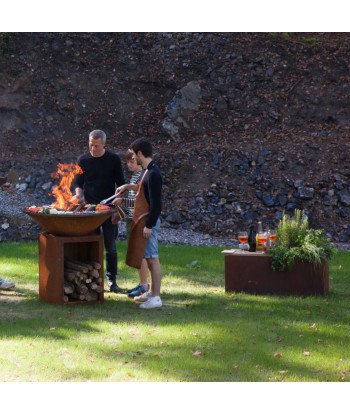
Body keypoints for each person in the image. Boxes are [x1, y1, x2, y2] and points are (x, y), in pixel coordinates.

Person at [73, 129, 125, 293]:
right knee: (91, 244)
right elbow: (77, 183)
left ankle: (112, 280)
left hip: (108, 208)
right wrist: (79, 195)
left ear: (103, 144)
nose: (92, 148)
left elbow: (121, 184)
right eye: (90, 144)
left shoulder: (113, 159)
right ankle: (93, 279)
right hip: (90, 209)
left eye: (96, 145)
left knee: (110, 245)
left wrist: (118, 207)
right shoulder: (83, 160)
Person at [114, 138, 163, 309]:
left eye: (135, 154)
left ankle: (156, 297)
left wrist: (149, 225)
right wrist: (127, 186)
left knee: (153, 259)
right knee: (149, 258)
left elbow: (157, 204)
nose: (134, 158)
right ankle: (151, 292)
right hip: (145, 221)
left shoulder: (154, 173)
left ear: (140, 153)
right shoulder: (148, 172)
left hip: (148, 222)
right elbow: (142, 189)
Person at [122, 150, 150, 298]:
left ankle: (145, 286)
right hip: (131, 218)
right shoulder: (134, 177)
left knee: (141, 253)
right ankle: (142, 283)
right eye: (127, 162)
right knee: (135, 252)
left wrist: (122, 201)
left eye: (132, 161)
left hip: (139, 219)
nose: (129, 165)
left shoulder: (142, 175)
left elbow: (139, 201)